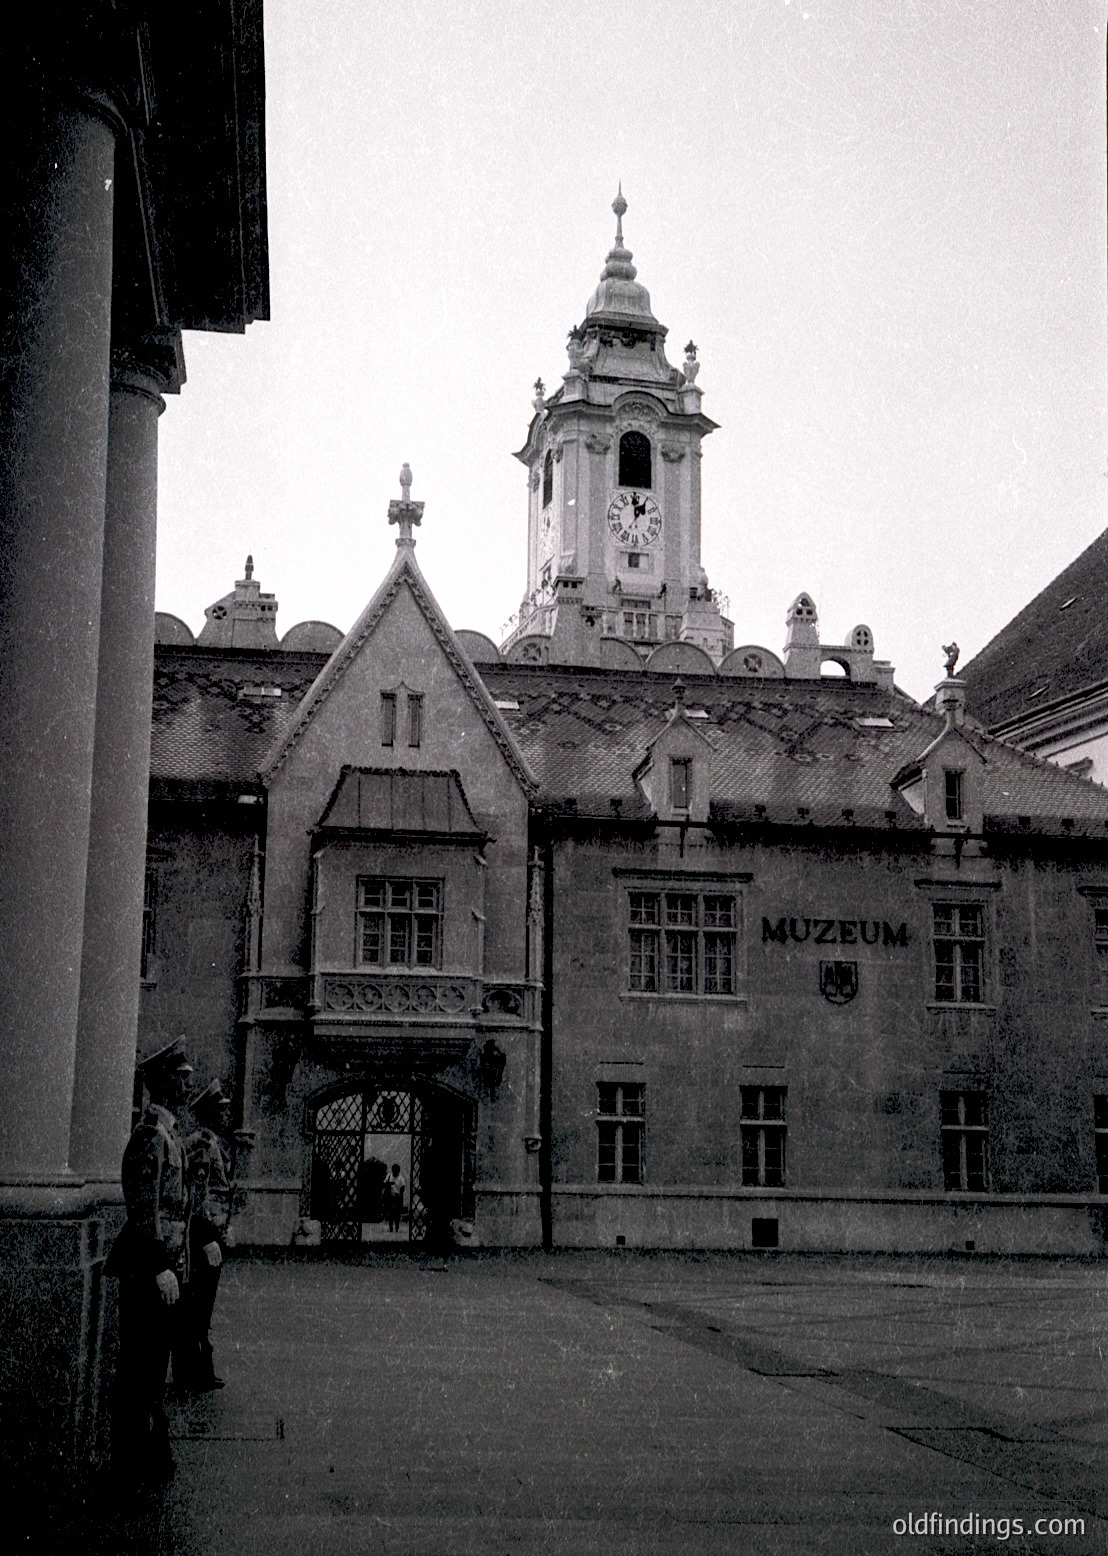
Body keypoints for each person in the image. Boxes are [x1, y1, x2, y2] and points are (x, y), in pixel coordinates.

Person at [104, 1037, 195, 1483]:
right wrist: (159, 1264)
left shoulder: (167, 1134)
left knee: (152, 1364)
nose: (186, 1083)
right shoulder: (149, 1137)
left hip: (163, 1265)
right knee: (140, 1365)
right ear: (162, 1083)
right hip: (147, 1268)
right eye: (180, 1077)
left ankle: (148, 1454)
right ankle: (131, 1460)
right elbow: (145, 1207)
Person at [175, 1078, 234, 1391]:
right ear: (210, 1112)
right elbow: (198, 1196)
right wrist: (207, 1236)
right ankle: (192, 1373)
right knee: (198, 1305)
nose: (226, 1114)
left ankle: (198, 1371)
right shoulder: (202, 1145)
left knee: (201, 1305)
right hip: (202, 1237)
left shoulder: (209, 1142)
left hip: (210, 1233)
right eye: (221, 1109)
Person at [382, 1162, 406, 1233]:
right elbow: (384, 1183)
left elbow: (403, 1187)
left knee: (397, 1214)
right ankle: (391, 1226)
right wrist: (389, 1184)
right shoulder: (389, 1176)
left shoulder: (401, 1178)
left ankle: (396, 1226)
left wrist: (400, 1196)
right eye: (394, 1170)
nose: (395, 1172)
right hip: (391, 1197)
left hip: (397, 1197)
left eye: (396, 1170)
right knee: (391, 1213)